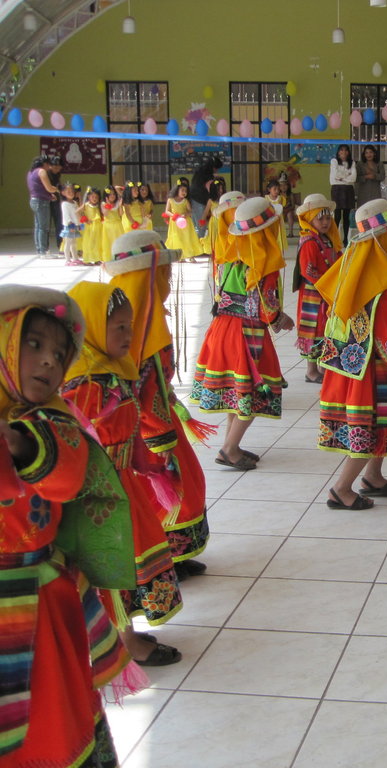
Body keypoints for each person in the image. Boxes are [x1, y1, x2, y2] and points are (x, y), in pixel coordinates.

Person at [0, 284, 134, 768]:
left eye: (59, 354)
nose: (48, 361)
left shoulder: (51, 422)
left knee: (51, 720)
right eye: (33, 344)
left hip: (41, 601)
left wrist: (18, 443)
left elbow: (66, 476)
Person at [63, 281, 184, 666]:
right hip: (99, 495)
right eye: (118, 327)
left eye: (129, 326)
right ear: (90, 329)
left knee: (130, 557)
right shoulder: (84, 384)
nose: (127, 334)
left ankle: (125, 632)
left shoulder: (112, 370)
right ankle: (125, 642)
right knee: (113, 563)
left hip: (121, 483)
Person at [105, 229, 212, 582]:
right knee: (162, 491)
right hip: (145, 430)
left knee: (187, 485)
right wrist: (158, 437)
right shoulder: (128, 326)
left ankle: (176, 553)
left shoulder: (148, 314)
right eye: (164, 271)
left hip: (160, 419)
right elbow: (136, 390)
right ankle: (161, 559)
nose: (169, 277)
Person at [314, 199, 387, 509]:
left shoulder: (359, 270)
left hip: (361, 366)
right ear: (384, 241)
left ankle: (373, 477)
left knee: (382, 422)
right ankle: (341, 489)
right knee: (370, 426)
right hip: (371, 372)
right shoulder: (378, 287)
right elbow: (386, 341)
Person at [190, 196, 294, 471]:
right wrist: (283, 320)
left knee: (236, 391)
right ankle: (228, 450)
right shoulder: (264, 263)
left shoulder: (229, 255)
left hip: (221, 330)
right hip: (246, 334)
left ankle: (231, 443)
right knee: (257, 391)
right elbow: (267, 310)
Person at [294, 193, 342, 383]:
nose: (325, 222)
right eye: (320, 218)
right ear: (309, 220)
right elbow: (308, 271)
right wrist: (327, 282)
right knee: (313, 330)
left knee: (325, 328)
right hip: (313, 295)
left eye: (328, 218)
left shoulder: (328, 239)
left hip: (327, 292)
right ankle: (311, 370)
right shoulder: (309, 242)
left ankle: (323, 366)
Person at [26, 155, 59, 256]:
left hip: (34, 200)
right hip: (42, 202)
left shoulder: (31, 172)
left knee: (38, 226)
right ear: (44, 164)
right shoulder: (41, 171)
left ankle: (39, 249)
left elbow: (38, 188)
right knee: (44, 227)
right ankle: (43, 251)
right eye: (48, 164)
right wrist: (57, 189)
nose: (49, 167)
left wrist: (49, 196)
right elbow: (49, 188)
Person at [163, 178, 202, 262]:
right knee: (177, 238)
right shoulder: (170, 200)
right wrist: (174, 216)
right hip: (175, 223)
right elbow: (167, 211)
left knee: (187, 238)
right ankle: (180, 256)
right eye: (182, 190)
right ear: (177, 190)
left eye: (186, 191)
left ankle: (191, 256)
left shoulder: (185, 201)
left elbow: (190, 211)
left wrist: (185, 215)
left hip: (185, 223)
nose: (184, 193)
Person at [329, 144, 358, 245]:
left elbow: (353, 178)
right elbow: (335, 175)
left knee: (346, 216)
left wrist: (342, 178)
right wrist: (347, 175)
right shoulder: (334, 161)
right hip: (337, 189)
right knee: (337, 216)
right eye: (341, 150)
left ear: (348, 152)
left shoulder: (352, 163)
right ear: (338, 152)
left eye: (346, 150)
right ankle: (334, 239)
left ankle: (345, 239)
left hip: (348, 189)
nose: (344, 152)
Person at [59, 182, 83, 266]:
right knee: (68, 243)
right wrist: (70, 224)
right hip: (69, 226)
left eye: (72, 191)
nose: (71, 193)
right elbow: (66, 216)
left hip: (75, 226)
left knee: (74, 243)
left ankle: (75, 258)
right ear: (63, 193)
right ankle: (67, 260)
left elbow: (77, 213)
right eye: (68, 191)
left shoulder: (74, 203)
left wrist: (79, 224)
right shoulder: (64, 204)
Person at [100, 186, 126, 263]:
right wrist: (108, 205)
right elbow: (105, 214)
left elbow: (121, 214)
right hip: (108, 226)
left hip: (118, 225)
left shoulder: (118, 203)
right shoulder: (103, 204)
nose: (112, 196)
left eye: (114, 194)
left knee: (119, 242)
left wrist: (120, 205)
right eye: (110, 194)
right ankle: (108, 258)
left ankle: (120, 257)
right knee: (108, 243)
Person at [80, 186, 104, 264]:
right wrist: (85, 219)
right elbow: (77, 212)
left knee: (97, 243)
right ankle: (87, 260)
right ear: (88, 197)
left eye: (96, 197)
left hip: (98, 227)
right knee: (88, 243)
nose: (94, 198)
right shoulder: (86, 205)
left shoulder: (99, 206)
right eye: (92, 196)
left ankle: (97, 259)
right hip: (89, 228)